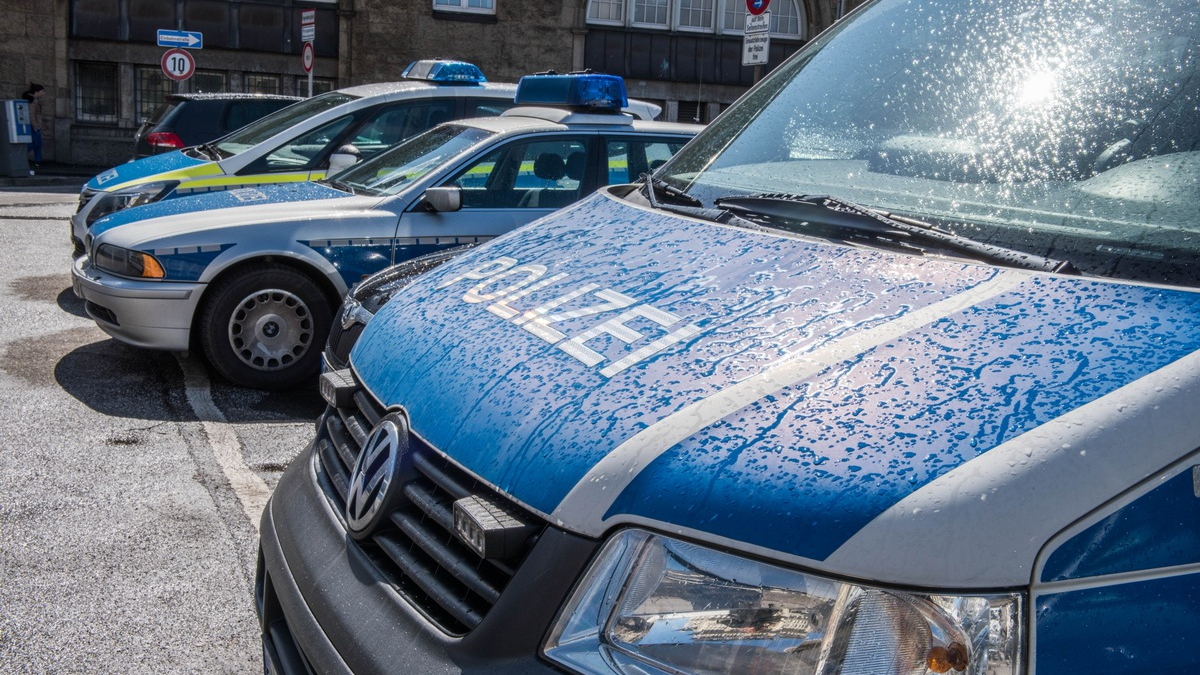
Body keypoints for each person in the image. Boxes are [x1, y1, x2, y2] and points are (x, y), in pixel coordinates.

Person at [21, 82, 44, 167]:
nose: (43, 93)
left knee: (38, 144)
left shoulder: (35, 100)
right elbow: (31, 114)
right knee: (35, 143)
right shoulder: (33, 101)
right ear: (36, 92)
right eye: (42, 92)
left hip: (36, 124)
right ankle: (21, 154)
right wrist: (35, 125)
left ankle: (38, 161)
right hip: (33, 125)